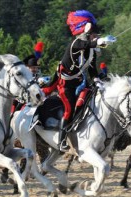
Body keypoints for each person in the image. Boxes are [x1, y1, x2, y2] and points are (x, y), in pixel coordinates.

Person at [42, 10, 116, 152]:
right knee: (69, 110)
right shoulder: (76, 44)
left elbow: (92, 69)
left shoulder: (91, 51)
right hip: (65, 83)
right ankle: (62, 139)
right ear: (88, 33)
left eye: (97, 35)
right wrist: (99, 41)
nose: (96, 37)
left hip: (78, 81)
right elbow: (85, 44)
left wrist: (97, 80)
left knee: (91, 99)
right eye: (94, 35)